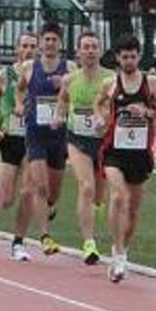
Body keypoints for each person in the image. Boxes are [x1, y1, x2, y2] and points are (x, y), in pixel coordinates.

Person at [95, 34, 156, 282]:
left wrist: (147, 112)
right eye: (124, 56)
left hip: (140, 153)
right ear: (118, 58)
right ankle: (116, 254)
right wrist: (100, 118)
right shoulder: (111, 83)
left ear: (138, 56)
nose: (129, 61)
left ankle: (123, 251)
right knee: (118, 196)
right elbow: (98, 103)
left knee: (134, 210)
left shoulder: (152, 83)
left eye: (133, 56)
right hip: (114, 151)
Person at [14, 23, 75, 257]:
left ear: (60, 43)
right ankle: (45, 236)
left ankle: (48, 207)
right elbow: (20, 90)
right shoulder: (30, 67)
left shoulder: (69, 68)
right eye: (46, 39)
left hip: (59, 134)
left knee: (53, 192)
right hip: (35, 133)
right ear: (41, 42)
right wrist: (20, 105)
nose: (50, 44)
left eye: (54, 40)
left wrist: (66, 90)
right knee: (40, 186)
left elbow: (77, 94)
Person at [0, 31, 45, 261]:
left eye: (32, 46)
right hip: (10, 139)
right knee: (5, 199)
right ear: (17, 49)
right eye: (25, 46)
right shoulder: (3, 75)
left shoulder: (42, 74)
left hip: (34, 139)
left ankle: (18, 242)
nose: (29, 50)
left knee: (28, 192)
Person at [56, 32, 114, 264]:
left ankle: (95, 208)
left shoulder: (111, 79)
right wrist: (58, 117)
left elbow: (118, 106)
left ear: (99, 51)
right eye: (86, 47)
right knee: (86, 186)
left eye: (94, 47)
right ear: (78, 52)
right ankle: (89, 243)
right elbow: (62, 102)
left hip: (103, 141)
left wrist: (105, 118)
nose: (90, 51)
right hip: (77, 139)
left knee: (100, 195)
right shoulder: (70, 80)